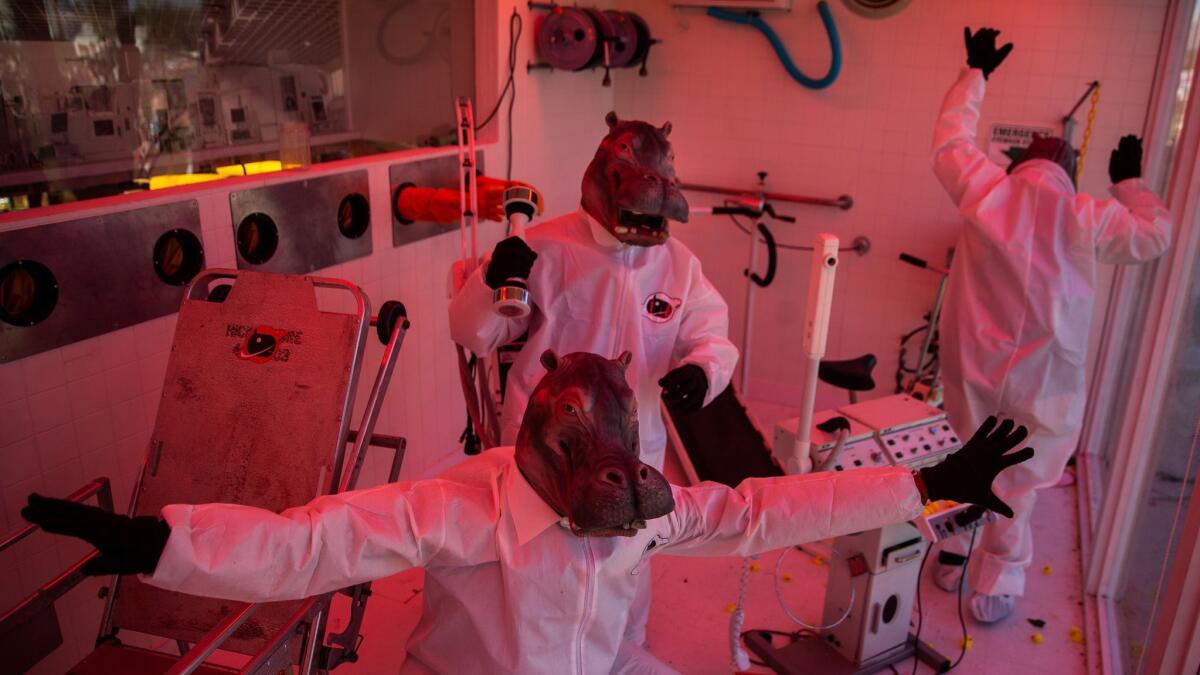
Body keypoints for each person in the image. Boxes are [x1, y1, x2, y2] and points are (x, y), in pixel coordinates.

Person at [23, 351, 1034, 674]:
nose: (612, 482)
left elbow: (760, 511)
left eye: (620, 459)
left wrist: (927, 486)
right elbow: (311, 543)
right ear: (536, 455)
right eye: (580, 458)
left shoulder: (644, 509)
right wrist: (159, 540)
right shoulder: (465, 507)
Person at [448, 112, 739, 647]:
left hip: (633, 452)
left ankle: (621, 656)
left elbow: (712, 336)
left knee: (624, 574)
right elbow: (473, 335)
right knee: (538, 580)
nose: (644, 227)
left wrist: (703, 372)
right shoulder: (546, 248)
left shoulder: (678, 266)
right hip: (546, 448)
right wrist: (490, 281)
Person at [929, 27, 1174, 623]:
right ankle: (996, 585)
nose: (1050, 140)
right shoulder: (1088, 215)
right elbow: (1157, 234)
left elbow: (949, 142)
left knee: (970, 453)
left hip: (976, 365)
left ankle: (956, 550)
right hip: (1046, 377)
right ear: (1063, 166)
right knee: (1020, 481)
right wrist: (1130, 184)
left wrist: (975, 73)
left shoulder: (988, 190)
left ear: (1025, 160)